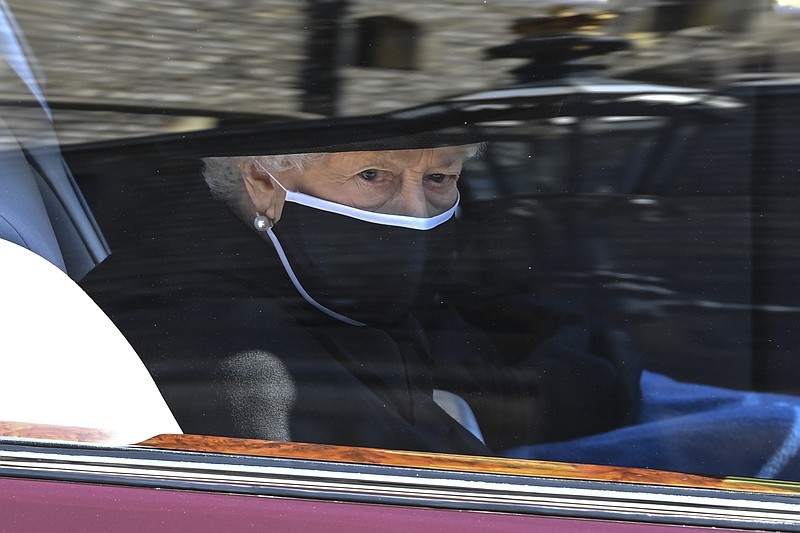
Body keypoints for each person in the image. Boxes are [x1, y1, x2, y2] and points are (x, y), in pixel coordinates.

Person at [80, 141, 642, 455]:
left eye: (441, 178)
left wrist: (470, 408)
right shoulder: (201, 339)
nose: (416, 212)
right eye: (373, 174)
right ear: (260, 179)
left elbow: (567, 351)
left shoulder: (327, 270)